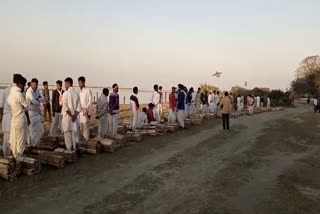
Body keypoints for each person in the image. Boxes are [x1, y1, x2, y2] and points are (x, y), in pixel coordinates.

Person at [0, 74, 23, 156]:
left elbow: (1, 105)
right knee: (11, 138)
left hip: (7, 117)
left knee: (7, 138)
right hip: (12, 116)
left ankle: (7, 154)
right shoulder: (16, 92)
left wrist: (1, 116)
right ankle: (9, 155)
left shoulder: (6, 90)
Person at [8, 75, 30, 158]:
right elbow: (26, 106)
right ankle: (19, 158)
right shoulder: (19, 94)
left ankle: (14, 156)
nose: (24, 86)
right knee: (20, 140)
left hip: (14, 118)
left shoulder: (11, 92)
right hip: (20, 119)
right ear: (20, 84)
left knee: (14, 139)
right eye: (23, 85)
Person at [61, 77, 80, 151]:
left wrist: (71, 115)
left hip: (68, 116)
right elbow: (79, 107)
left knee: (67, 134)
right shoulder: (76, 94)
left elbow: (65, 107)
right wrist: (75, 115)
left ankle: (69, 150)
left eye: (65, 84)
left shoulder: (65, 93)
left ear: (68, 84)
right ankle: (75, 149)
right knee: (74, 133)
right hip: (74, 117)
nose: (64, 86)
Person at [26, 78, 45, 146]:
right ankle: (31, 145)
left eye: (36, 85)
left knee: (41, 131)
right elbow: (34, 102)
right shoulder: (29, 92)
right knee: (32, 132)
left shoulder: (37, 90)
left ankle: (35, 144)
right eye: (33, 85)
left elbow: (43, 99)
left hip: (37, 113)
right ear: (31, 84)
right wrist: (37, 100)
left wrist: (37, 99)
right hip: (31, 114)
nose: (35, 86)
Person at [78, 76, 92, 141]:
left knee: (86, 127)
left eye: (80, 83)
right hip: (80, 112)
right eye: (78, 83)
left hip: (86, 111)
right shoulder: (79, 91)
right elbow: (78, 102)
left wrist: (88, 111)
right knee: (81, 127)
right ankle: (82, 141)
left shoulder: (88, 90)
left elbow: (90, 101)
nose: (79, 84)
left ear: (84, 82)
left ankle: (86, 140)